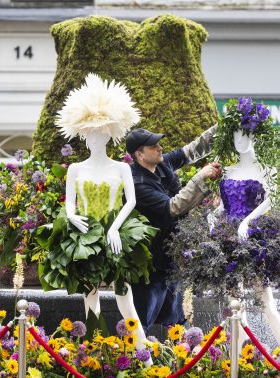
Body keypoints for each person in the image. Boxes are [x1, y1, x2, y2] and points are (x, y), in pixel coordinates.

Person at [39, 73, 156, 360]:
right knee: (90, 299)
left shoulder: (122, 168)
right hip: (85, 235)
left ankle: (145, 355)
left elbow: (130, 201)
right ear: (83, 135)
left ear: (108, 134)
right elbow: (70, 204)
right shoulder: (75, 169)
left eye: (100, 133)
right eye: (90, 134)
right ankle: (92, 356)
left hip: (117, 236)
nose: (94, 138)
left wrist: (115, 227)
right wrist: (73, 217)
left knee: (125, 297)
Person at [126, 125, 221, 333]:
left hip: (172, 257)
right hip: (150, 264)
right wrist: (201, 177)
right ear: (139, 154)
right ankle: (132, 360)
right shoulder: (136, 183)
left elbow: (193, 149)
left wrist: (225, 126)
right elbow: (173, 207)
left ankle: (183, 357)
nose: (160, 148)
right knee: (139, 323)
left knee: (177, 321)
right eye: (153, 146)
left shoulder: (162, 163)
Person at [209, 99, 280, 345]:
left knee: (266, 301)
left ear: (254, 135)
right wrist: (213, 215)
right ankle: (238, 363)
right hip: (229, 238)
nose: (240, 140)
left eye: (245, 134)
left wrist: (248, 221)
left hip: (256, 238)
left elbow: (271, 200)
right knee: (235, 304)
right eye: (236, 135)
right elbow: (225, 205)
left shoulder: (266, 169)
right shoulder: (228, 171)